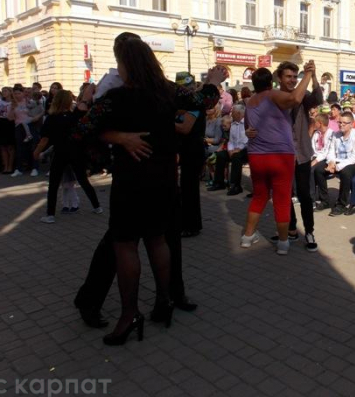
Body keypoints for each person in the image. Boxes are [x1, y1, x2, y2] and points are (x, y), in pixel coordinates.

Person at [73, 37, 226, 345]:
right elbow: (206, 100)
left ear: (125, 65)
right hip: (164, 178)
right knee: (158, 240)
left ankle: (129, 316)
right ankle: (165, 301)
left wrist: (116, 135)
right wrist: (211, 80)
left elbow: (79, 130)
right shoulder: (169, 92)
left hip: (132, 179)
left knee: (125, 244)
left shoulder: (116, 97)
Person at [240, 62, 314, 255]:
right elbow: (296, 98)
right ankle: (283, 243)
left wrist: (249, 133)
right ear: (271, 81)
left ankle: (248, 236)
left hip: (256, 155)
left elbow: (248, 130)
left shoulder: (250, 103)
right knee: (281, 199)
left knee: (259, 195)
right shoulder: (273, 94)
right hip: (280, 155)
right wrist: (307, 74)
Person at [33, 90, 102, 224]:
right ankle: (97, 206)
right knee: (83, 180)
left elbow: (45, 139)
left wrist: (36, 152)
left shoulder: (52, 118)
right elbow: (84, 113)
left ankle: (50, 214)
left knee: (53, 184)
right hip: (76, 152)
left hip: (60, 152)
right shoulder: (75, 116)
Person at [276, 60, 323, 251]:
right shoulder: (276, 96)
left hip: (302, 153)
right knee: (284, 193)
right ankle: (292, 229)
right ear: (279, 78)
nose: (293, 80)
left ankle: (309, 231)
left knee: (304, 194)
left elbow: (318, 99)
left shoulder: (303, 94)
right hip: (282, 153)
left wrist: (312, 76)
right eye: (289, 76)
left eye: (295, 76)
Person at [174, 72, 207, 238]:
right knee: (186, 188)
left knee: (189, 189)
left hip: (193, 148)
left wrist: (163, 120)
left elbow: (184, 128)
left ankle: (191, 225)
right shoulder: (187, 104)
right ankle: (187, 223)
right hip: (187, 149)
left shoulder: (194, 104)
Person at [314, 111, 355, 216]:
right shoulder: (336, 134)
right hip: (337, 160)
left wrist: (338, 166)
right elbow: (331, 150)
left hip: (352, 162)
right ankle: (325, 200)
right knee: (318, 169)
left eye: (344, 123)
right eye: (339, 122)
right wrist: (331, 162)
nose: (341, 125)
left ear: (351, 124)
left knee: (346, 173)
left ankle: (341, 204)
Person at [209, 105, 248, 195]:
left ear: (238, 113)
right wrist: (230, 150)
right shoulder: (233, 124)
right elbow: (230, 141)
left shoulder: (247, 123)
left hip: (245, 149)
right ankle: (219, 182)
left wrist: (239, 149)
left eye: (232, 112)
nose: (231, 114)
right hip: (233, 150)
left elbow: (247, 140)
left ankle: (235, 185)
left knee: (236, 157)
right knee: (220, 155)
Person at [9, 85, 39, 177]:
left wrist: (33, 119)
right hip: (19, 126)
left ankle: (35, 168)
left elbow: (37, 114)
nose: (17, 95)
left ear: (23, 93)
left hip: (30, 125)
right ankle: (19, 168)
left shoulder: (29, 102)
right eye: (15, 93)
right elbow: (10, 118)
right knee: (19, 148)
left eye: (19, 93)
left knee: (33, 146)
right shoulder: (13, 104)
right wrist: (12, 108)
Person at [0, 87, 16, 174]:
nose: (3, 92)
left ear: (10, 92)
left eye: (6, 91)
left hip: (10, 124)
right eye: (3, 91)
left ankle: (10, 166)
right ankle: (5, 166)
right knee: (2, 146)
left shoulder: (14, 102)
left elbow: (13, 115)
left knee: (10, 146)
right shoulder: (0, 102)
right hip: (1, 122)